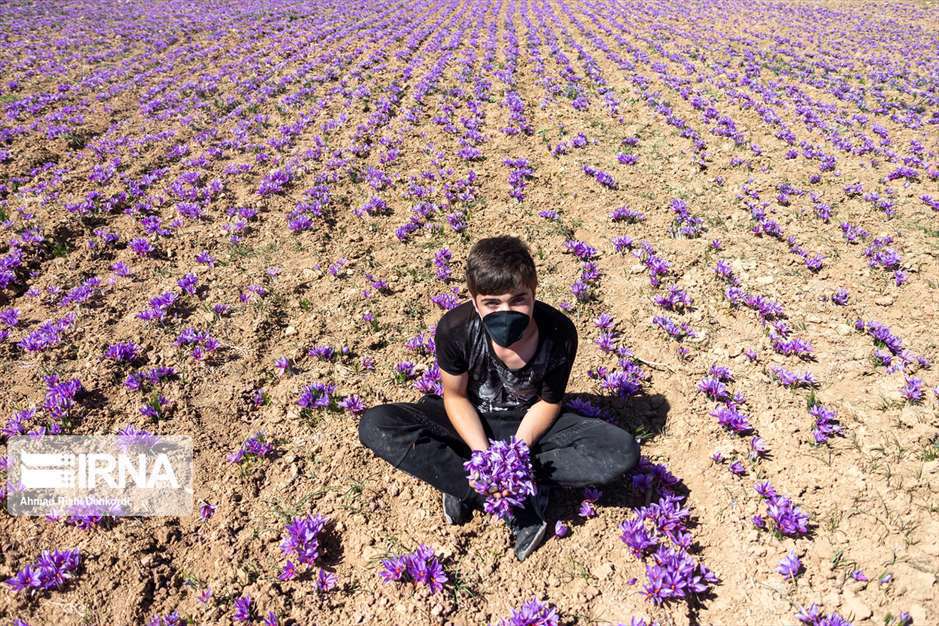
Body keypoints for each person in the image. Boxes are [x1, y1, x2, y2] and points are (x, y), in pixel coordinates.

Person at [358, 235, 640, 561]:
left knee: (621, 450)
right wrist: (482, 456)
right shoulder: (456, 328)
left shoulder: (559, 331)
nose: (506, 312)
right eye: (492, 303)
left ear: (534, 292)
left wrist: (516, 454)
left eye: (518, 299)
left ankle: (481, 480)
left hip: (529, 424)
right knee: (377, 423)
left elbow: (548, 402)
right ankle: (489, 492)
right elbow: (455, 396)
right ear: (475, 302)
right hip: (470, 421)